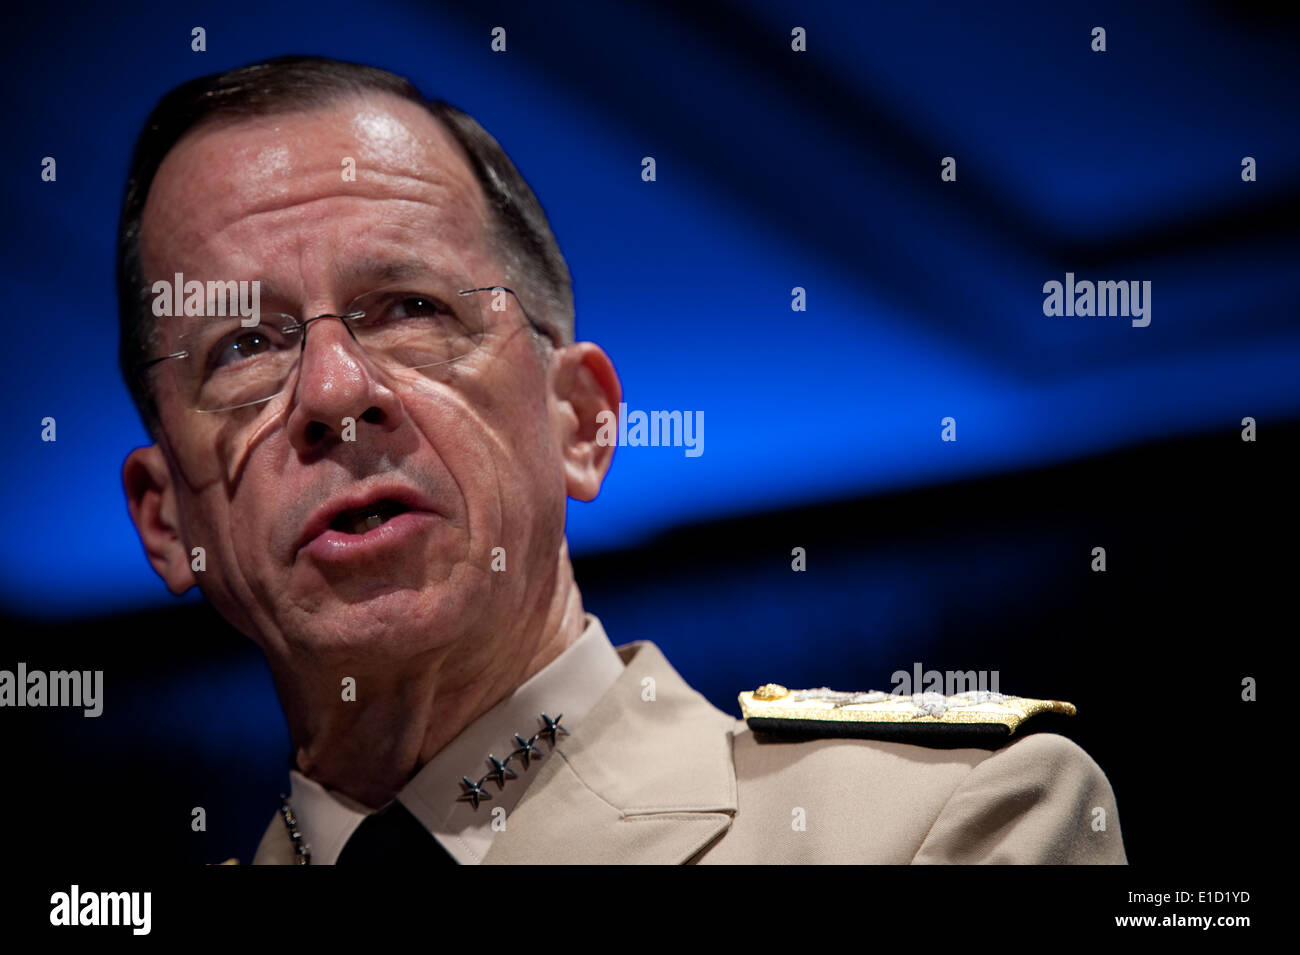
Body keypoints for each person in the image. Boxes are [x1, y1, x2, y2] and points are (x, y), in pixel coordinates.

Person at [119, 55, 1126, 865]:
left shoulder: (943, 827)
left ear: (581, 421)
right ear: (169, 521)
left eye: (410, 309)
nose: (336, 392)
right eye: (243, 347)